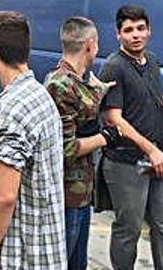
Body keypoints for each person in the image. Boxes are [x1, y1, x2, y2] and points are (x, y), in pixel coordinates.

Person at [0, 11, 66, 270]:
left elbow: (4, 197)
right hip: (47, 248)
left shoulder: (10, 110)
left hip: (21, 255)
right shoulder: (39, 95)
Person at [98, 4, 163, 270]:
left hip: (160, 156)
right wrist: (150, 151)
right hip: (127, 161)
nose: (136, 35)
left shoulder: (152, 61)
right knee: (129, 228)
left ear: (149, 30)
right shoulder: (114, 67)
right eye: (129, 30)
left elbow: (148, 98)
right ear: (118, 34)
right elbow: (114, 117)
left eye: (141, 28)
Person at [44, 16, 121, 270]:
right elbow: (66, 148)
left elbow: (84, 100)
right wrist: (105, 138)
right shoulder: (61, 85)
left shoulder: (75, 80)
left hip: (81, 191)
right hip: (68, 193)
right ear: (90, 45)